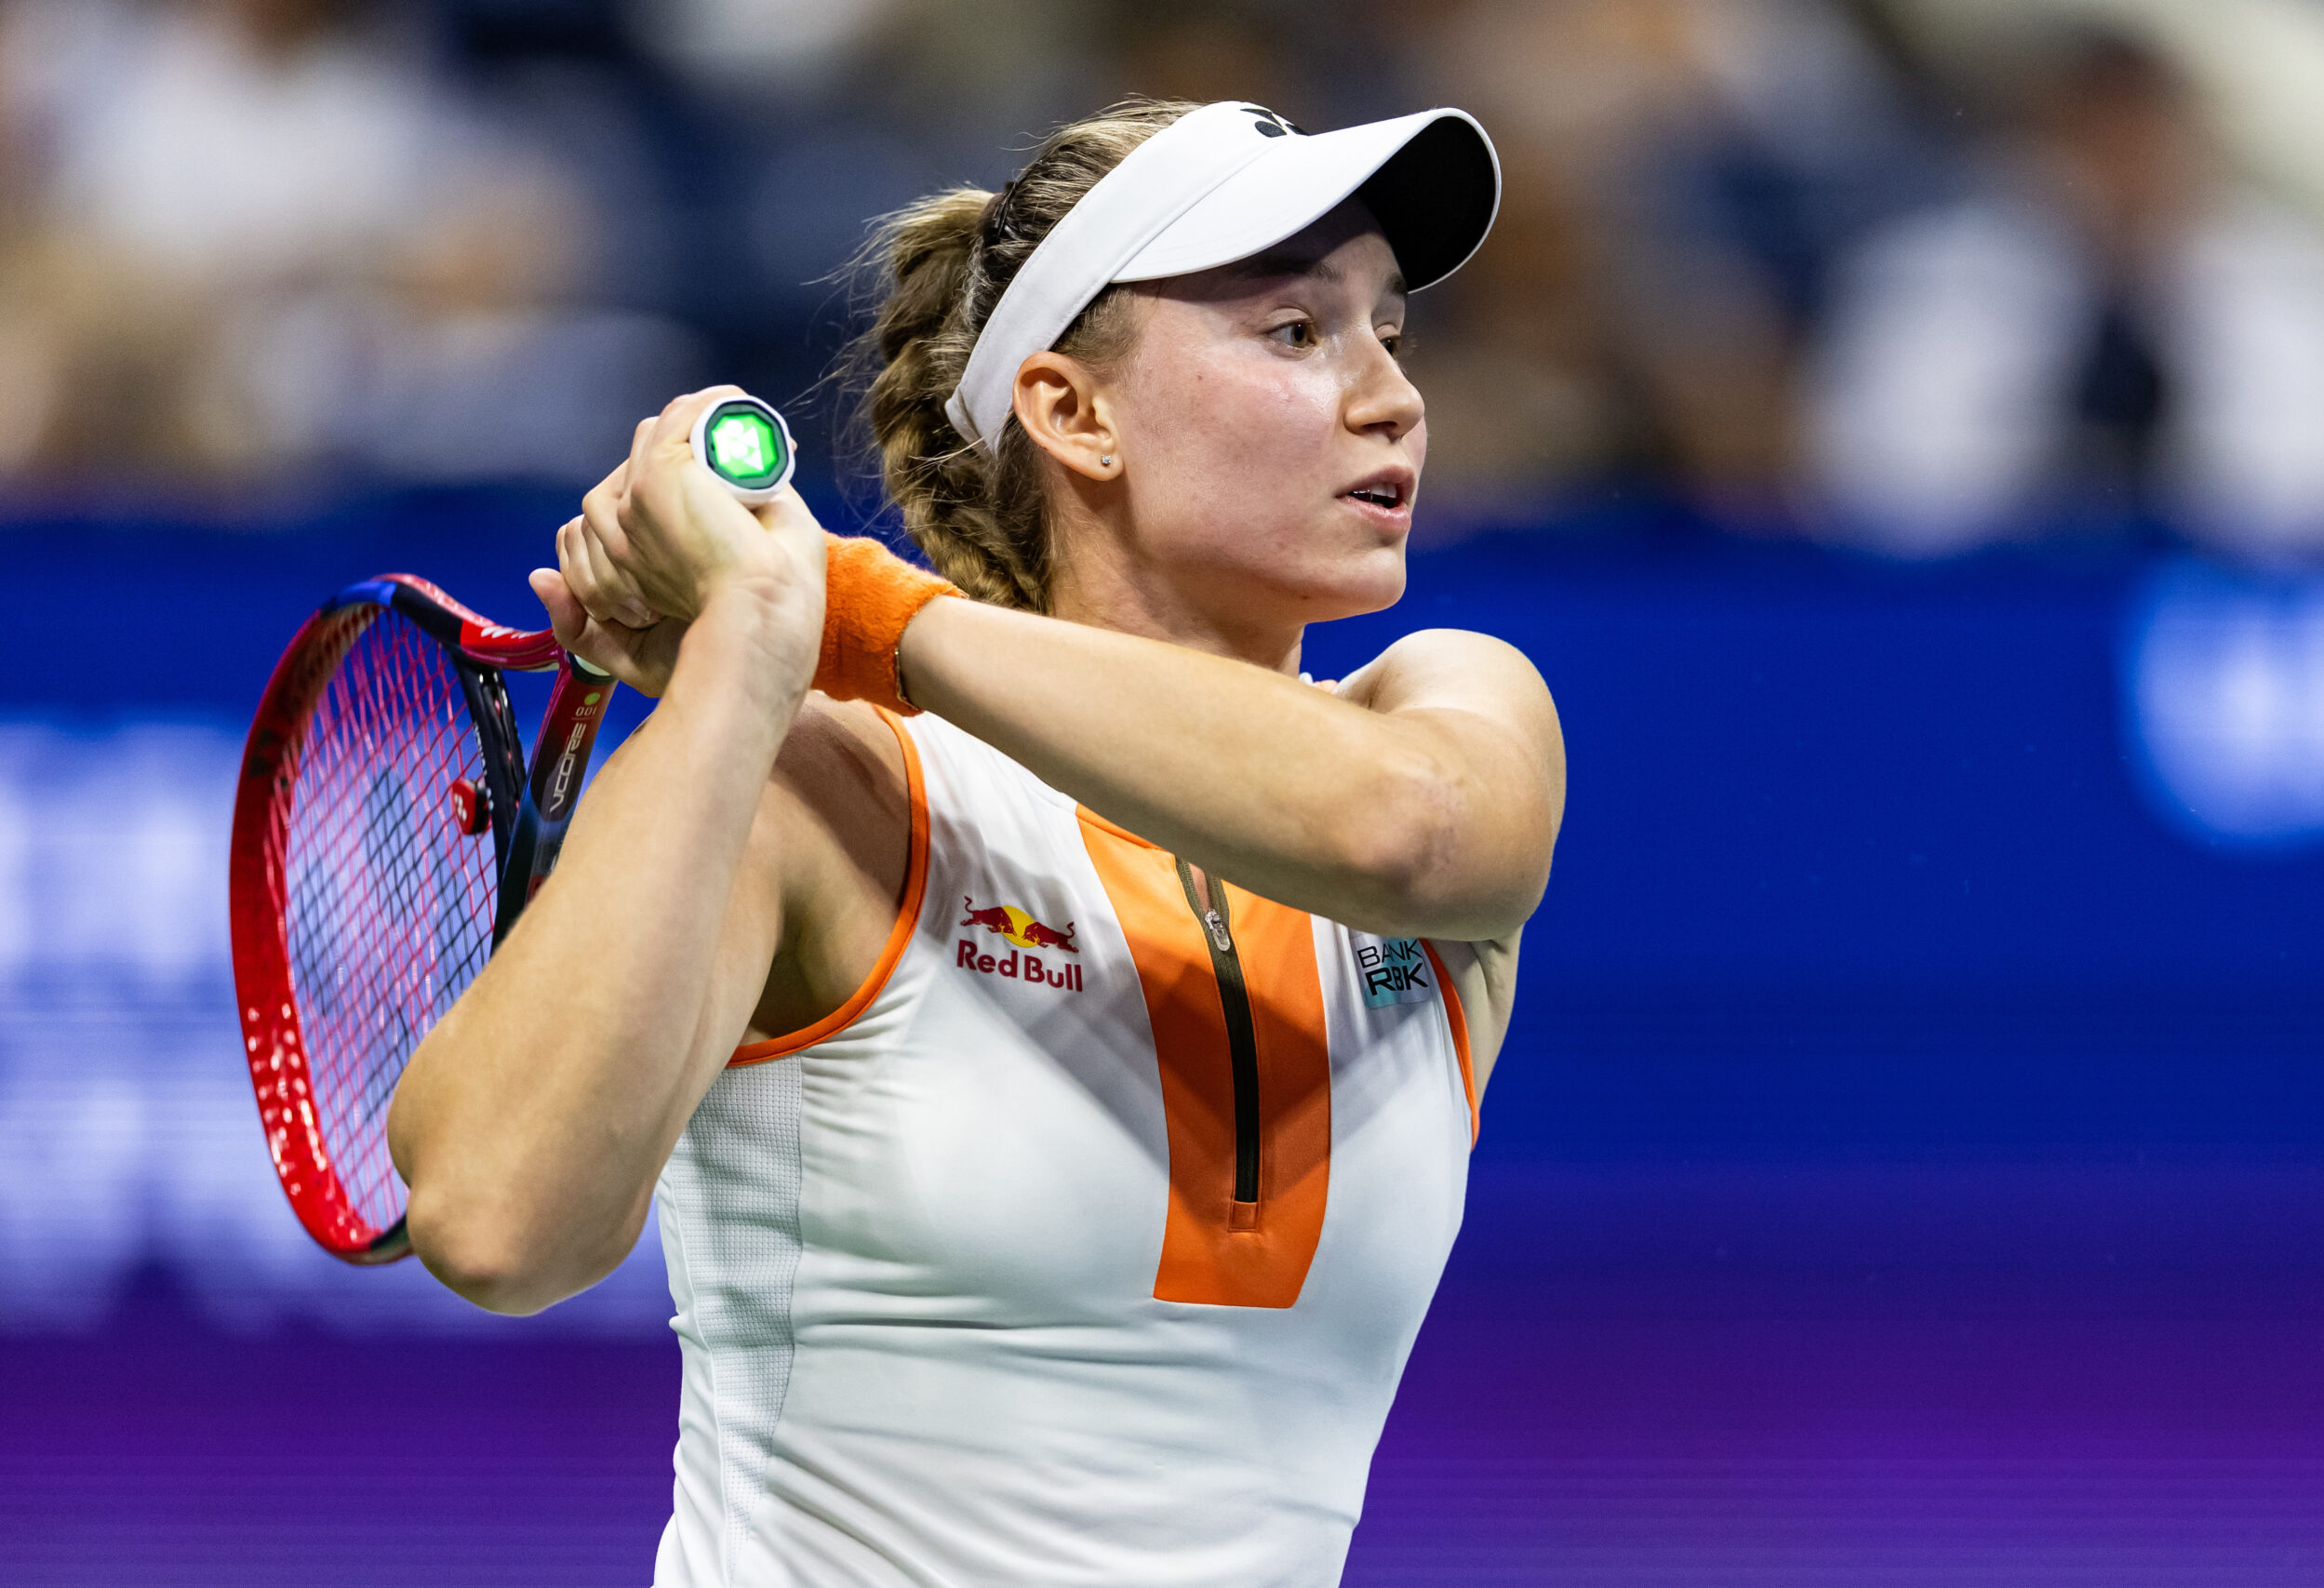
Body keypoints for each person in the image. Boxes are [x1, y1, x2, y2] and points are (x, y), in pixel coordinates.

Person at [388, 98, 1566, 1586]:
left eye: (1391, 331)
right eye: (1294, 332)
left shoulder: (1451, 708)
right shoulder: (829, 789)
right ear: (1076, 413)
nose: (1391, 395)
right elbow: (495, 1224)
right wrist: (752, 651)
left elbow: (1409, 829)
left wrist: (852, 609)